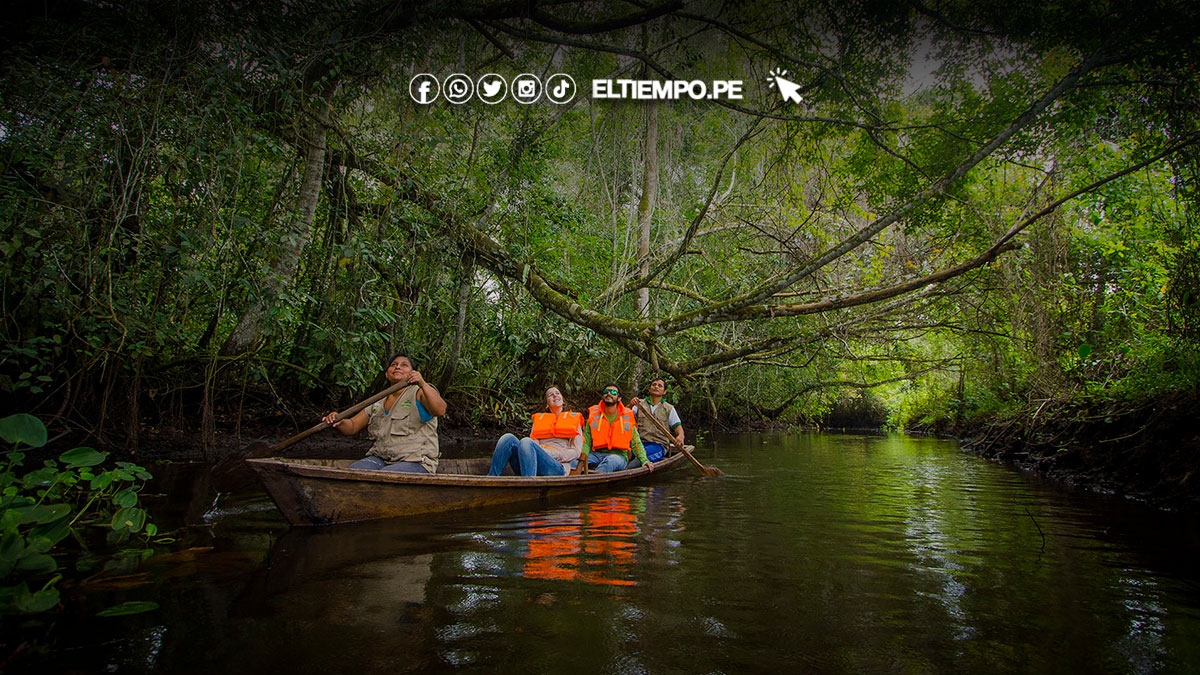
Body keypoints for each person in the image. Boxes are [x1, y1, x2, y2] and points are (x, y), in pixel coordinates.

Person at [322, 354, 447, 473]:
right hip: (382, 459)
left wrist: (423, 383)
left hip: (416, 461)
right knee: (354, 470)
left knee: (384, 476)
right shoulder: (377, 401)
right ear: (387, 374)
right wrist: (339, 421)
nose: (398, 367)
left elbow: (440, 410)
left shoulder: (420, 393)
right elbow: (352, 426)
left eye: (404, 365)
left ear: (413, 373)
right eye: (394, 365)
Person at [488, 386, 583, 476]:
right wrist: (540, 452)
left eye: (557, 393)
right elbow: (533, 445)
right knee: (508, 438)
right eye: (551, 395)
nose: (555, 395)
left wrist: (555, 454)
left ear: (563, 401)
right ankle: (491, 479)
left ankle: (529, 483)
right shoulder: (540, 421)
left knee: (526, 441)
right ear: (547, 404)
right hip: (533, 462)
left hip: (557, 466)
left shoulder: (574, 421)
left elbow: (576, 452)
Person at [575, 383, 654, 474]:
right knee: (574, 462)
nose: (609, 394)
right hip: (596, 454)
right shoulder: (594, 415)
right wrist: (582, 458)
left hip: (618, 456)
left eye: (613, 392)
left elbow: (636, 442)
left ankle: (592, 480)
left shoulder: (627, 417)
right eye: (606, 392)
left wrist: (644, 460)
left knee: (611, 461)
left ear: (619, 398)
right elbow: (586, 441)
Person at [630, 377, 685, 463]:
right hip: (639, 443)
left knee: (642, 456)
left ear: (664, 391)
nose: (656, 387)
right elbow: (624, 417)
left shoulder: (668, 408)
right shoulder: (638, 404)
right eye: (654, 385)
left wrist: (680, 436)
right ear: (649, 389)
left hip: (659, 445)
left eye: (660, 386)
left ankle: (628, 470)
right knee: (627, 455)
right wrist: (630, 405)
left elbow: (677, 426)